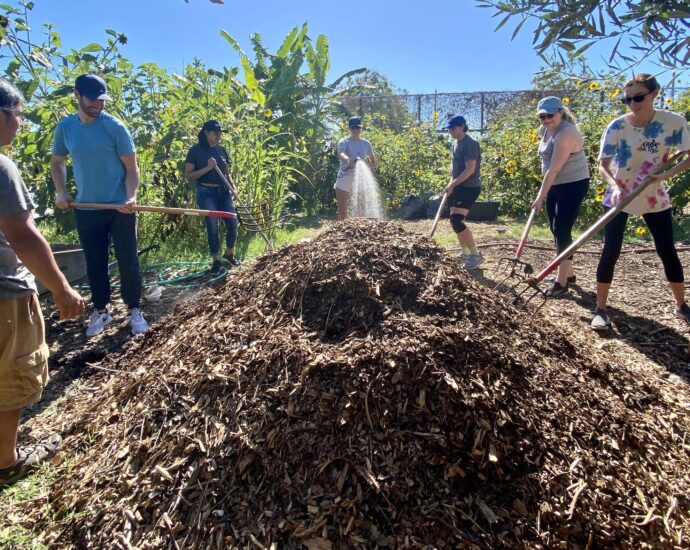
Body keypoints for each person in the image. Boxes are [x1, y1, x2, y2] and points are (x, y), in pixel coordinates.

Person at [0, 78, 84, 487]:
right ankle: (6, 460)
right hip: (4, 294)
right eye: (16, 115)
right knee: (13, 373)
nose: (20, 124)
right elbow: (22, 235)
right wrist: (61, 288)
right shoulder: (0, 166)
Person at [51, 74, 148, 337]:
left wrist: (131, 197)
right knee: (95, 262)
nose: (97, 104)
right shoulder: (66, 128)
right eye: (92, 99)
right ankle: (102, 310)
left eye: (101, 100)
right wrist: (62, 191)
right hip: (87, 207)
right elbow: (57, 162)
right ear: (77, 95)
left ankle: (134, 309)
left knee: (128, 261)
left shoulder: (114, 128)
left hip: (119, 208)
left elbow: (131, 167)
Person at [591, 73, 690, 331]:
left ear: (654, 93)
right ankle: (600, 309)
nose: (633, 104)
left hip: (653, 194)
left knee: (666, 250)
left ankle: (681, 305)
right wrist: (614, 185)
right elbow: (602, 165)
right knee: (610, 250)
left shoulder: (673, 123)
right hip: (619, 194)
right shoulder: (617, 126)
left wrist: (665, 175)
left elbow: (688, 155)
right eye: (627, 100)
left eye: (638, 97)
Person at [531, 97, 590, 297]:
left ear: (561, 112)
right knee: (555, 228)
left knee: (562, 228)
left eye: (550, 115)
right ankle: (570, 273)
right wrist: (545, 192)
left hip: (572, 184)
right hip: (555, 184)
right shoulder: (546, 129)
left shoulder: (566, 133)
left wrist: (540, 196)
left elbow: (554, 168)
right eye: (542, 116)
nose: (546, 119)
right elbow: (549, 167)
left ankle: (561, 282)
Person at [184, 120, 239, 273]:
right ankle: (216, 260)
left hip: (224, 192)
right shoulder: (195, 151)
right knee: (212, 226)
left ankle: (229, 254)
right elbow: (189, 175)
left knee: (233, 222)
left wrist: (233, 188)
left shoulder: (222, 150)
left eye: (220, 133)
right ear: (206, 133)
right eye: (215, 133)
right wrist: (207, 168)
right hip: (206, 192)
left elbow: (227, 173)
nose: (219, 136)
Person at [443, 115, 484, 269]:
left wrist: (453, 184)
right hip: (458, 186)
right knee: (454, 221)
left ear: (462, 126)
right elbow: (455, 170)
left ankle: (475, 255)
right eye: (448, 129)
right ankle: (465, 252)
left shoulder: (470, 144)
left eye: (452, 128)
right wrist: (450, 184)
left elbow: (470, 169)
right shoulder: (455, 143)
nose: (450, 131)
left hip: (469, 187)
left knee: (457, 221)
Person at [334, 117, 375, 221]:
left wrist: (365, 166)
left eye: (358, 127)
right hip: (345, 175)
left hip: (360, 178)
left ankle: (359, 232)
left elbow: (373, 162)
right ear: (349, 129)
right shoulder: (344, 141)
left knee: (361, 210)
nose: (356, 130)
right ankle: (343, 232)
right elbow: (341, 154)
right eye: (353, 128)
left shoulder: (366, 144)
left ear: (361, 128)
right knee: (343, 212)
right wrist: (348, 160)